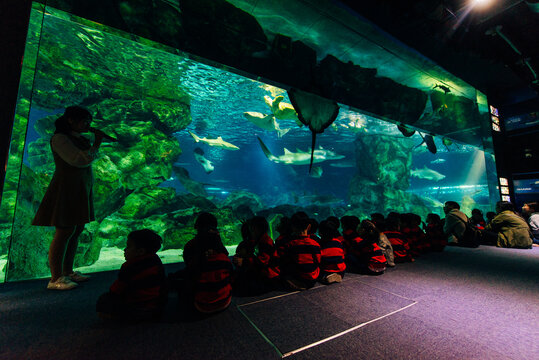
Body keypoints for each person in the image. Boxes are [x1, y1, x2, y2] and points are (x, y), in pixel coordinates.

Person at [32, 106, 108, 290]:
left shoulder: (78, 138)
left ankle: (68, 271)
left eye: (89, 121)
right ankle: (55, 278)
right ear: (71, 121)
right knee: (64, 230)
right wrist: (96, 143)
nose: (88, 125)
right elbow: (78, 160)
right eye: (84, 121)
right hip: (66, 188)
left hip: (80, 188)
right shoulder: (60, 138)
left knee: (76, 229)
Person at [96, 229, 167, 321]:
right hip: (157, 308)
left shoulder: (129, 267)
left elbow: (115, 290)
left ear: (140, 251)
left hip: (136, 308)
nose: (124, 250)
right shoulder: (156, 261)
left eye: (128, 247)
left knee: (105, 299)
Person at [180, 212, 233, 317]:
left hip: (202, 306)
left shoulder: (190, 246)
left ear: (196, 227)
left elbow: (190, 271)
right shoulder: (222, 253)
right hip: (225, 301)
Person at [233, 216, 279, 295]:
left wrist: (244, 262)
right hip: (262, 273)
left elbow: (262, 261)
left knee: (241, 285)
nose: (250, 231)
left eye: (252, 228)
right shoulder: (258, 240)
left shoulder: (266, 242)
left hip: (270, 277)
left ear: (257, 229)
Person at [278, 212, 321, 290]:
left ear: (292, 227)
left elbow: (285, 261)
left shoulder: (290, 244)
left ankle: (297, 283)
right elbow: (318, 260)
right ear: (309, 227)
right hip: (313, 279)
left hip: (300, 278)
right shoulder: (315, 243)